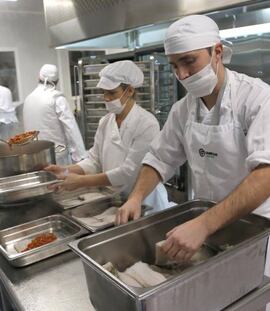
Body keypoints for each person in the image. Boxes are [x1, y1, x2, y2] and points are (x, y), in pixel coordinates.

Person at [116, 15, 270, 268]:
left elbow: (266, 174)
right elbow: (160, 158)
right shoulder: (183, 110)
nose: (182, 74)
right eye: (174, 65)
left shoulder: (257, 99)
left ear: (217, 52)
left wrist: (203, 224)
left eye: (189, 61)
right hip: (209, 229)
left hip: (257, 230)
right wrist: (136, 196)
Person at [46, 61, 169, 211]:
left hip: (145, 202)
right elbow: (94, 161)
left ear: (129, 91)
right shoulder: (106, 121)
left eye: (111, 93)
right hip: (115, 199)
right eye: (104, 92)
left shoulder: (147, 124)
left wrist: (82, 181)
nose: (106, 98)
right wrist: (65, 171)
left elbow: (128, 172)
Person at [23, 64, 87, 165]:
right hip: (56, 157)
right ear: (57, 81)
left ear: (38, 77)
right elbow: (71, 129)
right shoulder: (57, 98)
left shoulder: (28, 99)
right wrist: (80, 158)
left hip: (34, 157)